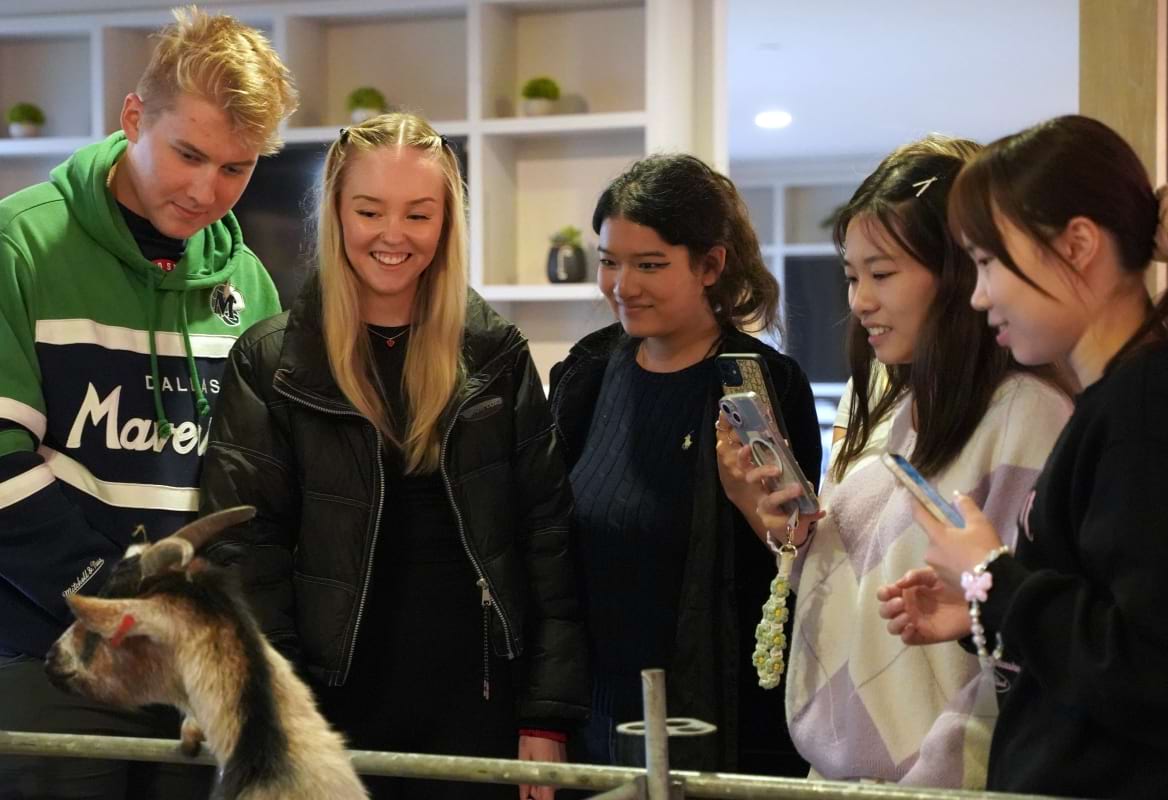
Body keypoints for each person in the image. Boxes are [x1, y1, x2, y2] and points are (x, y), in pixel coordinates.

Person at [199, 112, 589, 800]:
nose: (393, 235)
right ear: (336, 214)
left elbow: (546, 536)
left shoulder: (494, 354)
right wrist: (280, 719)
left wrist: (546, 714)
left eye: (418, 213)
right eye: (370, 210)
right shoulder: (271, 361)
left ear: (446, 223)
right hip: (326, 709)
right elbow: (243, 553)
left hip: (478, 704)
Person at [0, 7, 297, 797]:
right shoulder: (20, 247)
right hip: (45, 657)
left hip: (191, 670)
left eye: (236, 168)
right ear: (134, 118)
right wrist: (115, 593)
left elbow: (250, 481)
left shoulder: (251, 284)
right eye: (188, 153)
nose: (207, 190)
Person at [724, 136, 1072, 787]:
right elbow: (850, 600)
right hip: (835, 772)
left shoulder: (1025, 416)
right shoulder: (894, 400)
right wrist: (772, 519)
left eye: (882, 274)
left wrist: (934, 778)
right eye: (852, 276)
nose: (859, 301)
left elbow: (1016, 647)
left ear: (961, 270)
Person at [879, 114, 1168, 797]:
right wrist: (982, 607)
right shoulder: (1119, 401)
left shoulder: (1146, 405)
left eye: (990, 262)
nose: (978, 294)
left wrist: (993, 578)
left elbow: (1158, 672)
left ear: (1078, 244)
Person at [548, 153, 821, 774]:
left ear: (710, 266)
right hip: (594, 717)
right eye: (609, 262)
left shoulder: (759, 385)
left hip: (719, 720)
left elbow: (800, 553)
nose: (623, 285)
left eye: (650, 265)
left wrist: (751, 503)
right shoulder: (587, 373)